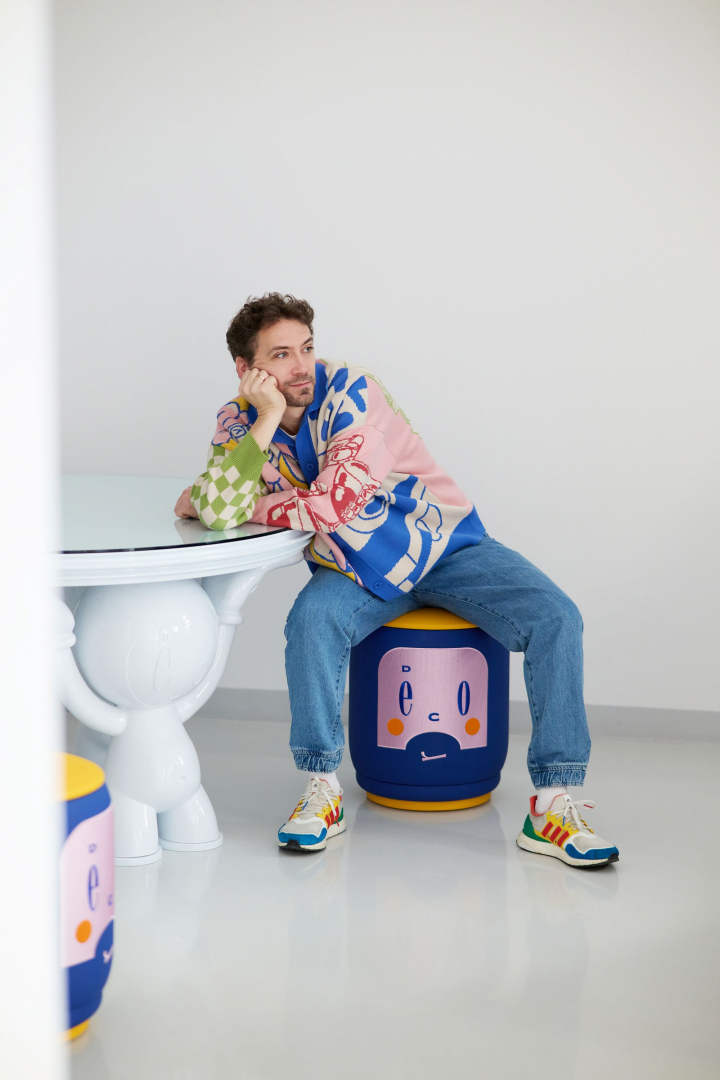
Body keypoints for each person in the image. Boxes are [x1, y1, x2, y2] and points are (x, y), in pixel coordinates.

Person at [175, 293, 619, 868]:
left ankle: (554, 801)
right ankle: (321, 789)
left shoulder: (352, 392)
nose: (302, 366)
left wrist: (248, 505)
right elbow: (216, 510)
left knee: (556, 616)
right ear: (246, 369)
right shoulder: (239, 420)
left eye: (306, 347)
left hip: (443, 546)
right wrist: (264, 422)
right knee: (311, 621)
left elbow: (329, 506)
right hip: (356, 569)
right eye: (281, 355)